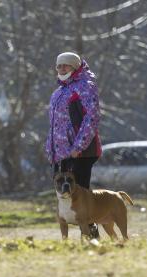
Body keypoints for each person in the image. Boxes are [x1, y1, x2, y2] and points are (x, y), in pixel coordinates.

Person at [45, 51, 102, 238]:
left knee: (81, 196)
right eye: (59, 65)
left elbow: (91, 118)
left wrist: (79, 146)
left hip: (80, 152)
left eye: (66, 65)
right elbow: (54, 125)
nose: (62, 68)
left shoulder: (85, 86)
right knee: (64, 197)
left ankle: (91, 236)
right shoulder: (59, 92)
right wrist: (50, 148)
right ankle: (66, 238)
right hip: (61, 153)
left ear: (76, 67)